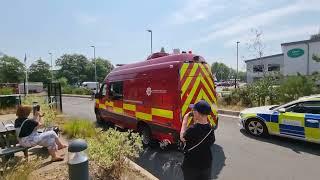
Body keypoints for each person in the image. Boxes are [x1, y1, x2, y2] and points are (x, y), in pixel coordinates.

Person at [180, 100, 215, 180]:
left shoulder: (192, 130)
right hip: (206, 164)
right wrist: (196, 120)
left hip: (192, 166)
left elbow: (182, 137)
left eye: (194, 110)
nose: (193, 111)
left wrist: (185, 119)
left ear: (196, 113)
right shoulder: (210, 129)